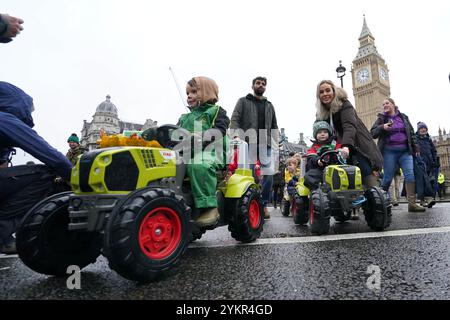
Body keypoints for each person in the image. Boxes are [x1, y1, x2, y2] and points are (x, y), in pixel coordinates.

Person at [0, 82, 73, 254]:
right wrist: (77, 179)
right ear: (17, 104)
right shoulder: (4, 119)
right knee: (48, 174)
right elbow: (55, 159)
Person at [315, 80, 383, 219]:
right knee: (342, 175)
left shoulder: (344, 104)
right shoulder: (323, 113)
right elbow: (320, 129)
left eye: (328, 90)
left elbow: (349, 126)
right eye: (321, 92)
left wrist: (346, 145)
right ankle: (350, 207)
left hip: (357, 143)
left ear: (334, 91)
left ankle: (377, 205)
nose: (325, 94)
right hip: (339, 147)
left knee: (364, 169)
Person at [178, 76, 230, 227]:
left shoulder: (216, 111)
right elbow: (173, 134)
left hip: (212, 152)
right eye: (188, 92)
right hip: (186, 153)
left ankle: (209, 207)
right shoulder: (184, 117)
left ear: (207, 92)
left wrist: (201, 136)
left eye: (194, 91)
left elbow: (220, 129)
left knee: (198, 165)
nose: (189, 95)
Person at [230, 76, 279, 219]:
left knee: (269, 176)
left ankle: (262, 204)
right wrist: (235, 136)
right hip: (248, 142)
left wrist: (275, 142)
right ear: (252, 86)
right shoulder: (243, 101)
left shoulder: (269, 105)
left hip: (266, 143)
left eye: (263, 84)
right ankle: (250, 204)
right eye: (258, 83)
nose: (261, 85)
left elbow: (275, 125)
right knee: (249, 175)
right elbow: (235, 119)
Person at [370, 98, 425, 212]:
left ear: (393, 105)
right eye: (383, 104)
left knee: (410, 175)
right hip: (389, 151)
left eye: (387, 103)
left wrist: (416, 147)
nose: (385, 105)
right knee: (387, 178)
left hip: (405, 151)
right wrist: (382, 127)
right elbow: (373, 133)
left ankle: (412, 204)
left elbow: (410, 132)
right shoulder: (382, 118)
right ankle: (381, 202)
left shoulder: (403, 117)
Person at [303, 121, 342, 191]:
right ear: (316, 135)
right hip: (321, 170)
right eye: (319, 132)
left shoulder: (335, 144)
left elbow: (341, 152)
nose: (322, 134)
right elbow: (311, 157)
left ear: (329, 133)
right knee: (308, 176)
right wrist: (318, 161)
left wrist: (340, 152)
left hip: (337, 169)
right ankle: (320, 191)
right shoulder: (314, 147)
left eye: (325, 132)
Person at [415, 122, 438, 208]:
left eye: (425, 128)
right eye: (421, 128)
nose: (423, 130)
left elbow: (434, 151)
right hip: (420, 163)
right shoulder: (415, 138)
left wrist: (435, 161)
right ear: (418, 129)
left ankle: (428, 200)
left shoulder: (429, 139)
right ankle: (423, 200)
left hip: (430, 164)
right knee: (422, 182)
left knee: (430, 182)